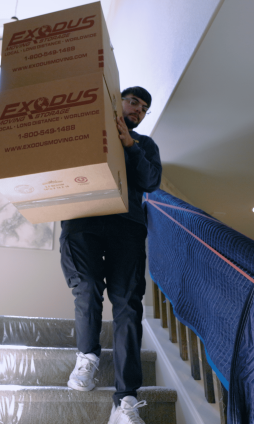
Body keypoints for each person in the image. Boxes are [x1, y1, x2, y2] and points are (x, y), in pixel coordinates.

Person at [60, 87, 162, 424]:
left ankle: (126, 399)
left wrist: (130, 146)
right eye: (133, 102)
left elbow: (150, 181)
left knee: (128, 303)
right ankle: (88, 357)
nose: (139, 110)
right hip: (84, 218)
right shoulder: (89, 126)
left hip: (127, 226)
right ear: (116, 99)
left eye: (145, 108)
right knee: (87, 285)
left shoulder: (144, 145)